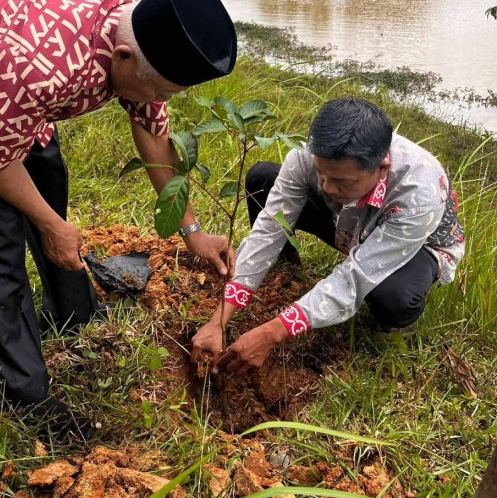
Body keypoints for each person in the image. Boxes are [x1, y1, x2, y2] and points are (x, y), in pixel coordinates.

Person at [0, 0, 237, 439]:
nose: (161, 99)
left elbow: (153, 132)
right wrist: (49, 225)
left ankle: (72, 312)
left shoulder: (136, 31)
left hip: (3, 61)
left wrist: (192, 231)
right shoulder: (43, 66)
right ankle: (23, 393)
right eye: (159, 89)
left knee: (47, 171)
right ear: (122, 57)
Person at [192, 97, 465, 374]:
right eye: (321, 174)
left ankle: (397, 322)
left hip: (416, 246)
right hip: (347, 224)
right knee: (262, 178)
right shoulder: (308, 155)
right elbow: (269, 230)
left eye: (342, 182)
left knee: (392, 297)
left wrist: (272, 333)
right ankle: (287, 262)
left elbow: (356, 277)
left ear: (381, 168)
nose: (328, 188)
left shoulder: (419, 193)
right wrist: (219, 320)